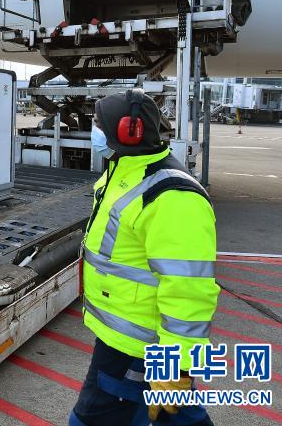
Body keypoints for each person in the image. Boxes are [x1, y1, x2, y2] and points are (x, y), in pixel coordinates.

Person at [73, 89, 219, 426]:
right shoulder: (124, 173)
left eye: (99, 126)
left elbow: (188, 290)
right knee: (177, 416)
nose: (95, 132)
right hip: (123, 334)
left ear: (128, 132)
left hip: (140, 347)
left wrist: (176, 365)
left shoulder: (172, 197)